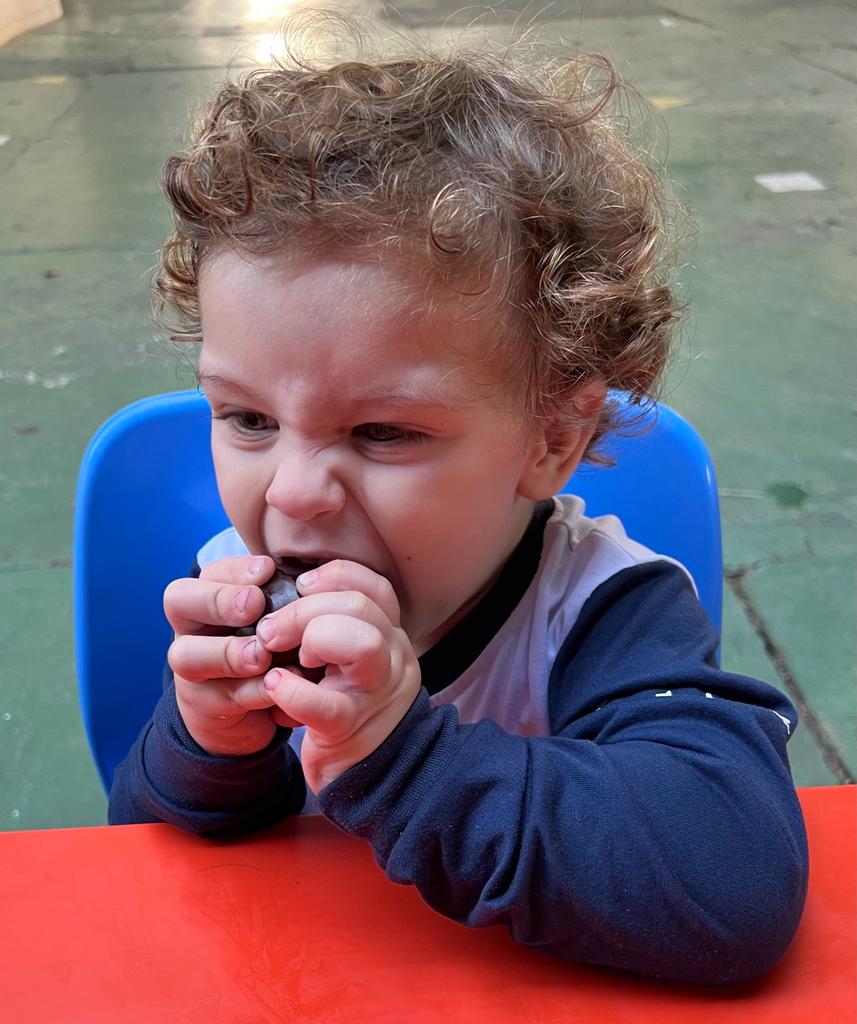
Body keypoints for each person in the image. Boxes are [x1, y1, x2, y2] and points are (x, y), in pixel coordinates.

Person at [108, 29, 808, 985]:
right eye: (247, 417)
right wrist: (208, 749)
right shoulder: (233, 576)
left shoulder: (604, 612)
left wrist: (403, 756)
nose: (293, 492)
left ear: (549, 441)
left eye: (383, 433)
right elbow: (139, 862)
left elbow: (734, 887)